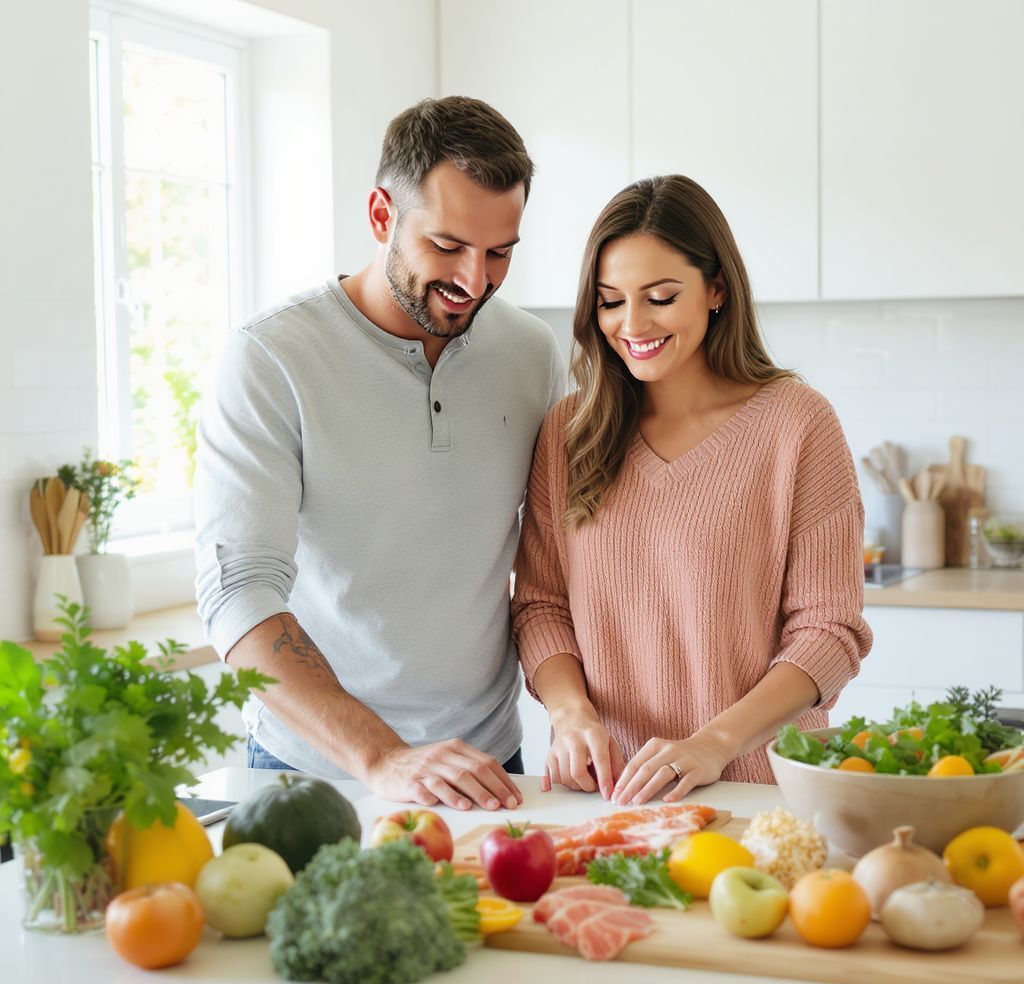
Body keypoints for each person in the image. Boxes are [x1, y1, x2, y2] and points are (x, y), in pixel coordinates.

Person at [195, 96, 565, 811]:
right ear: (379, 216)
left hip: (485, 764)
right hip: (311, 770)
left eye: (500, 253)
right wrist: (383, 757)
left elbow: (557, 561)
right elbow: (238, 588)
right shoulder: (271, 358)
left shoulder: (530, 354)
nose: (475, 281)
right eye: (448, 246)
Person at [511, 175, 872, 805]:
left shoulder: (797, 423)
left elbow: (830, 632)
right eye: (610, 301)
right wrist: (570, 714)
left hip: (761, 791)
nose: (633, 323)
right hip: (610, 792)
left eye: (660, 296)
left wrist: (715, 743)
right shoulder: (570, 433)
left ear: (716, 289)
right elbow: (541, 606)